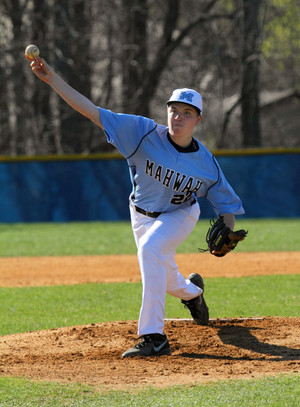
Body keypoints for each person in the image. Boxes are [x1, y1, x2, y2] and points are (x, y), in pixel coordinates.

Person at [29, 57, 244, 358]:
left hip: (180, 214)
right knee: (165, 275)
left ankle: (154, 337)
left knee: (151, 250)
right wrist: (52, 79)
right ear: (166, 112)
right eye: (174, 111)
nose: (178, 118)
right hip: (140, 214)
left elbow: (227, 205)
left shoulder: (206, 163)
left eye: (186, 113)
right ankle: (194, 294)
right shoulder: (142, 132)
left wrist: (228, 233)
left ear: (198, 120)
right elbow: (92, 111)